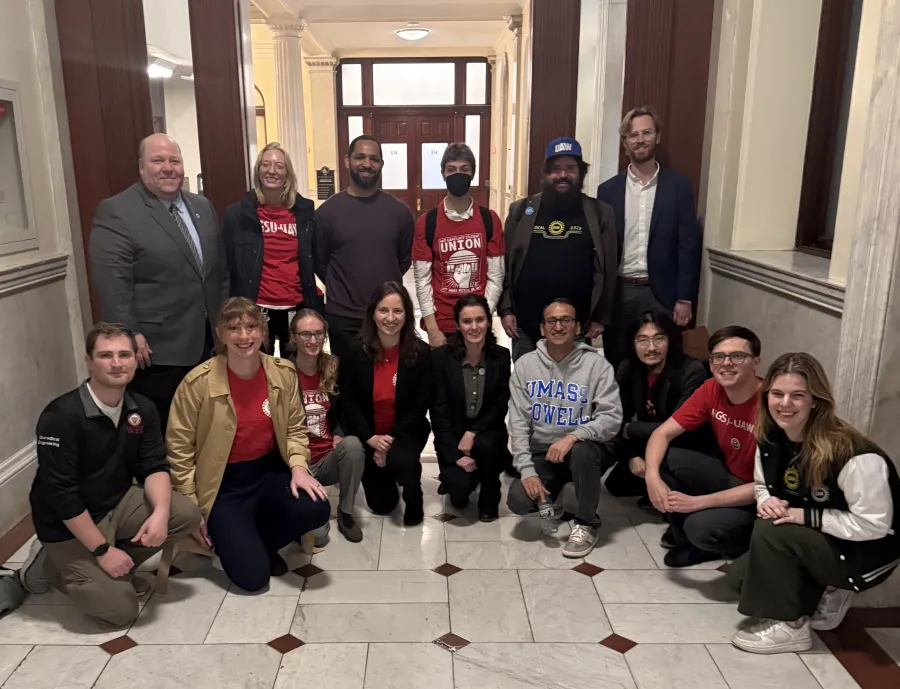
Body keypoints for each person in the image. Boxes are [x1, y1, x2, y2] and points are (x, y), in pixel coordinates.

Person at [17, 324, 201, 626]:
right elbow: (62, 495)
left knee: (185, 514)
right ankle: (52, 566)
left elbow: (154, 465)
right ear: (89, 361)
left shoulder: (141, 408)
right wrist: (102, 551)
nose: (117, 363)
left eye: (124, 354)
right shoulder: (60, 416)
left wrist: (161, 513)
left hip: (116, 500)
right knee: (121, 610)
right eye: (106, 355)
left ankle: (113, 567)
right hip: (68, 521)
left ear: (135, 358)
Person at [729, 353, 900, 654]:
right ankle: (826, 586)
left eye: (798, 396)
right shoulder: (772, 438)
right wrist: (768, 502)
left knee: (771, 533)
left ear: (815, 401)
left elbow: (875, 525)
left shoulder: (854, 455)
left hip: (868, 552)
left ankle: (791, 627)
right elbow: (762, 486)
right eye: (777, 394)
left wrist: (806, 517)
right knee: (740, 578)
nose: (785, 404)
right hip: (827, 537)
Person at [166, 298, 331, 592]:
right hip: (223, 484)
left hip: (269, 472)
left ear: (264, 332)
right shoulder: (197, 383)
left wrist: (298, 467)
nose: (244, 336)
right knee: (253, 579)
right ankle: (244, 544)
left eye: (252, 327)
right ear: (221, 333)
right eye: (235, 328)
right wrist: (192, 504)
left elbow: (295, 427)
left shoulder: (282, 373)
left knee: (316, 506)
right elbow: (179, 448)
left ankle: (255, 542)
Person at [89, 133, 228, 431]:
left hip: (206, 343)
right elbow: (114, 284)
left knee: (205, 424)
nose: (168, 167)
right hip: (156, 350)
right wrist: (129, 334)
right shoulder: (117, 211)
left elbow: (217, 273)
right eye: (158, 160)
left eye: (174, 160)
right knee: (164, 429)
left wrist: (223, 324)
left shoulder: (202, 206)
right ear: (141, 167)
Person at [506, 299, 622, 557]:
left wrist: (573, 436)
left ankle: (587, 522)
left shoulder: (597, 366)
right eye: (552, 321)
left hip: (587, 449)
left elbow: (611, 418)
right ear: (542, 329)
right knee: (519, 501)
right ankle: (554, 491)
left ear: (577, 326)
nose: (559, 327)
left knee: (582, 452)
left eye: (566, 320)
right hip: (545, 453)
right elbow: (518, 422)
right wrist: (527, 470)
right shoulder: (525, 366)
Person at [643, 326, 762, 567]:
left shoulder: (772, 402)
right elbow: (662, 433)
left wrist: (698, 503)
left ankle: (728, 542)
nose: (726, 363)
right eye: (718, 357)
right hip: (732, 476)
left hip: (762, 498)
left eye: (737, 356)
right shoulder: (712, 388)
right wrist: (651, 475)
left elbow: (767, 486)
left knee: (700, 528)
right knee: (665, 459)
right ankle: (685, 535)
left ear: (756, 362)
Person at [597, 106, 702, 369]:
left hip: (662, 294)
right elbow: (600, 250)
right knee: (618, 362)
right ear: (625, 142)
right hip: (620, 293)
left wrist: (684, 298)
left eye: (646, 132)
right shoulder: (607, 191)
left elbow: (688, 245)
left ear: (657, 137)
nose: (640, 139)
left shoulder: (678, 187)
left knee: (661, 365)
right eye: (633, 135)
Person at [499, 137, 618, 362]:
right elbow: (506, 266)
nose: (563, 175)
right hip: (527, 325)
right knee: (529, 391)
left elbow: (608, 268)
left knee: (573, 393)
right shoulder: (521, 211)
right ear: (545, 173)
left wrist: (601, 316)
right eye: (556, 169)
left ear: (581, 172)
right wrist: (506, 310)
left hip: (577, 328)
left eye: (570, 168)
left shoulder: (600, 213)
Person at [314, 135, 415, 362]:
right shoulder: (326, 213)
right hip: (343, 316)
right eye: (360, 157)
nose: (367, 164)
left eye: (374, 159)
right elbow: (320, 262)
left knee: (387, 385)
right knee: (347, 386)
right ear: (347, 160)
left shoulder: (400, 212)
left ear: (381, 163)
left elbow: (403, 260)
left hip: (387, 317)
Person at [339, 282, 432, 526]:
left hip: (404, 432)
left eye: (398, 311)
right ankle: (386, 472)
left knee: (401, 461)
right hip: (367, 434)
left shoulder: (420, 353)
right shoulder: (354, 351)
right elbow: (348, 402)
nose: (390, 318)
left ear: (407, 314)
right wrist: (371, 439)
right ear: (372, 313)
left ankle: (414, 496)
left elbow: (419, 407)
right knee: (382, 505)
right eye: (383, 310)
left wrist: (388, 440)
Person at [223, 142, 324, 356]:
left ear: (287, 173)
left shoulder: (305, 212)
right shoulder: (238, 214)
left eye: (279, 166)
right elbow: (227, 265)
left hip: (295, 307)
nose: (272, 171)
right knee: (258, 370)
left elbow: (314, 257)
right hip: (255, 309)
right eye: (266, 164)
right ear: (258, 170)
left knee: (296, 370)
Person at [604, 311, 709, 503]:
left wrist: (630, 429)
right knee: (616, 485)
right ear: (632, 343)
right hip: (650, 439)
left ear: (671, 340)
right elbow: (618, 416)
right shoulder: (629, 367)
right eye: (642, 340)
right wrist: (633, 455)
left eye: (659, 339)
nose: (651, 348)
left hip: (685, 444)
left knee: (667, 480)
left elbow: (681, 427)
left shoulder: (691, 370)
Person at [412, 143, 505, 347]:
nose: (457, 175)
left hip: (477, 321)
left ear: (473, 173)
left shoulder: (490, 220)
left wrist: (482, 319)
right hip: (442, 323)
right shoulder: (427, 223)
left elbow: (496, 276)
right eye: (451, 170)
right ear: (443, 173)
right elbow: (422, 280)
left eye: (464, 169)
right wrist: (432, 328)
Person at [431, 295, 512, 521]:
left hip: (487, 430)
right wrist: (456, 454)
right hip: (453, 436)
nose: (474, 327)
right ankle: (466, 476)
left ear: (488, 321)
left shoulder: (501, 356)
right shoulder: (440, 358)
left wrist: (473, 431)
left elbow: (500, 403)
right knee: (458, 491)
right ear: (457, 325)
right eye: (467, 321)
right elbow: (439, 413)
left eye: (480, 320)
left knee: (486, 447)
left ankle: (489, 489)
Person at [288, 308, 364, 543]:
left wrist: (339, 433)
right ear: (294, 337)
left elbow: (344, 410)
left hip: (327, 456)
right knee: (318, 536)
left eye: (318, 334)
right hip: (297, 462)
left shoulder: (333, 368)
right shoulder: (283, 372)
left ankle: (346, 512)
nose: (313, 340)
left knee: (353, 446)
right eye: (306, 334)